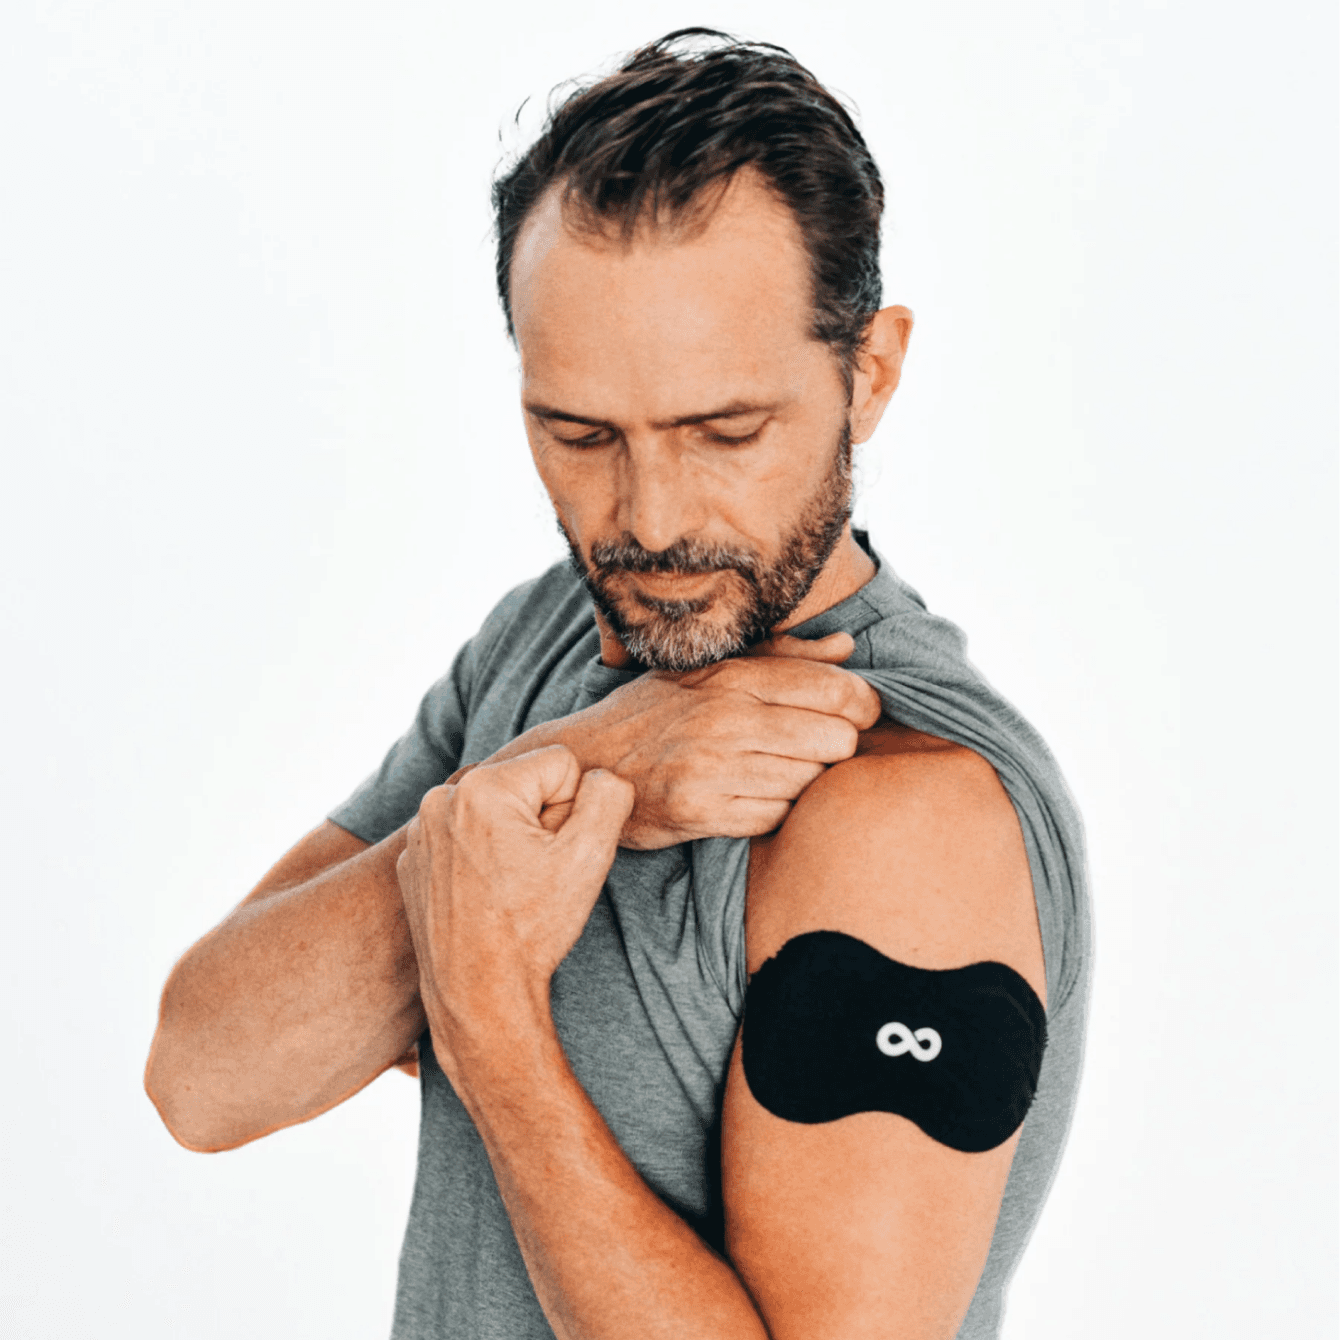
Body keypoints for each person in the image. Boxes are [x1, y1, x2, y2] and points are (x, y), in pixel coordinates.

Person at [145, 29, 1090, 1340]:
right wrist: (587, 770)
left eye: (725, 431)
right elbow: (201, 1077)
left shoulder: (902, 816)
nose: (648, 521)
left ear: (868, 372)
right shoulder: (548, 643)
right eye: (580, 433)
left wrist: (490, 1025)